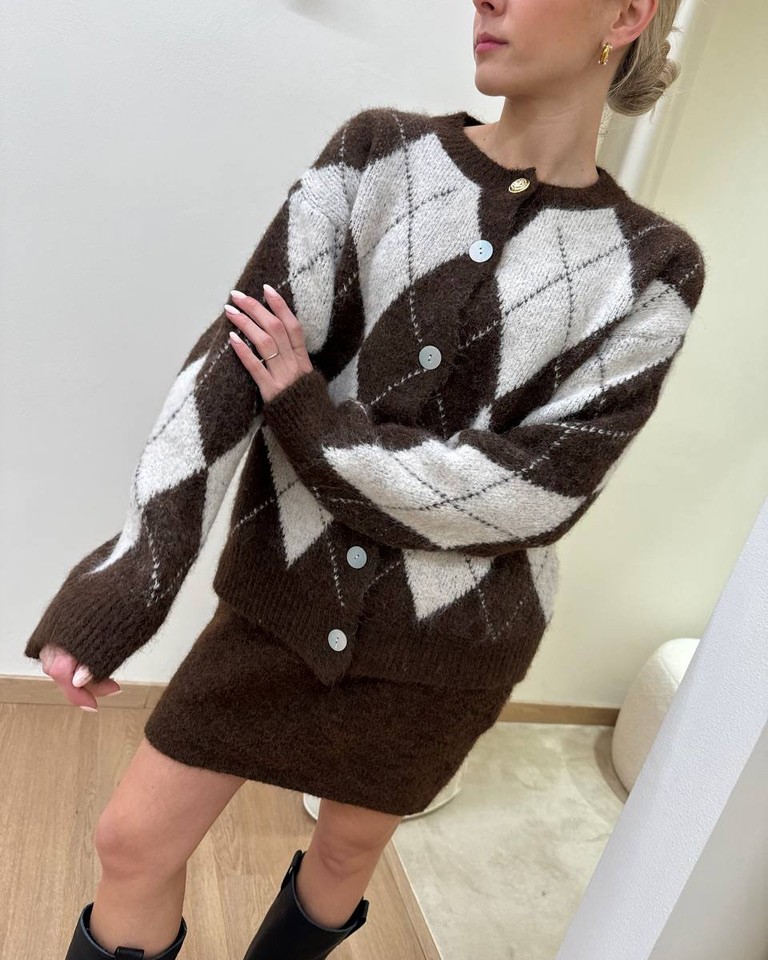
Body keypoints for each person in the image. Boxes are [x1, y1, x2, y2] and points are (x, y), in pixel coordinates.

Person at [24, 0, 706, 957]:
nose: (485, 0)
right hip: (280, 603)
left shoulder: (654, 269)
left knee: (344, 856)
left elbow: (534, 495)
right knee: (131, 842)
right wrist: (133, 576)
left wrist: (312, 419)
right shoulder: (377, 157)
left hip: (447, 647)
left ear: (626, 13)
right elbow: (234, 363)